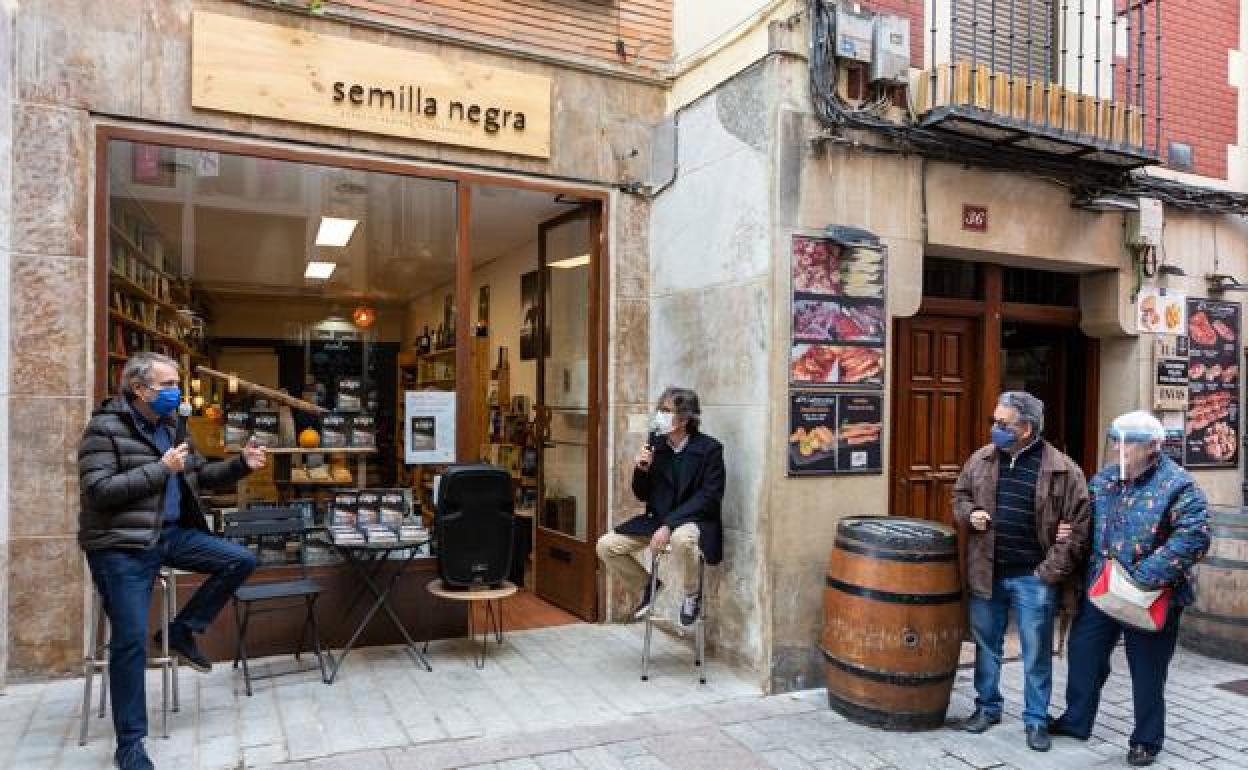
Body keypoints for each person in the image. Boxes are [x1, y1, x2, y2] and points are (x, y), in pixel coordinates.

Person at [78, 352, 266, 770]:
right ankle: (130, 745)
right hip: (121, 545)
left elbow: (197, 474)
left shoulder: (172, 425)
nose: (177, 393)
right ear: (139, 389)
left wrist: (240, 465)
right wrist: (161, 469)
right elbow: (98, 491)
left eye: (177, 384)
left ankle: (181, 632)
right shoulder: (104, 427)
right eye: (168, 385)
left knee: (240, 560)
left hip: (171, 536)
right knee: (128, 639)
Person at [1050, 411, 1210, 767]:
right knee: (1083, 656)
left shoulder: (1179, 485)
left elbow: (1194, 538)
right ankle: (1076, 721)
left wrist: (1142, 577)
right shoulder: (1104, 480)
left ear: (1153, 446)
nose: (1120, 448)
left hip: (1149, 594)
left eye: (1129, 441)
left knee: (1147, 670)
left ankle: (1146, 740)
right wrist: (1067, 533)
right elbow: (1084, 523)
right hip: (1102, 587)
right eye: (1117, 440)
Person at [952, 391, 1091, 752]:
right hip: (988, 571)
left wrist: (1048, 573)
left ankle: (1035, 720)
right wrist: (970, 515)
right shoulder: (981, 459)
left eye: (1002, 424)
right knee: (986, 646)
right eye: (994, 422)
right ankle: (987, 708)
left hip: (1034, 577)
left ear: (1026, 428)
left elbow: (1078, 526)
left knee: (1035, 652)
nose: (994, 429)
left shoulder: (1064, 470)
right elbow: (959, 496)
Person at [596, 387, 725, 626]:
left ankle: (691, 595)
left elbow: (709, 498)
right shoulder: (656, 444)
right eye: (660, 410)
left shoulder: (710, 449)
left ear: (685, 419)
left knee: (681, 539)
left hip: (694, 520)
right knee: (606, 546)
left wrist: (669, 525)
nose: (660, 416)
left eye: (666, 411)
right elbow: (641, 493)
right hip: (658, 519)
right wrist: (642, 469)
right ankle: (649, 586)